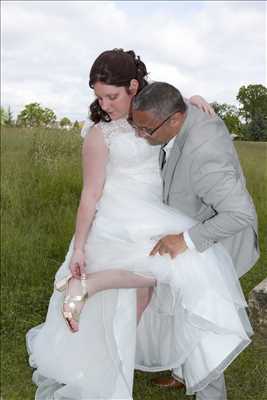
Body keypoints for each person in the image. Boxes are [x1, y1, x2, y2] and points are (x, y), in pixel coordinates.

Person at [26, 49, 254, 400]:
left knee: (162, 285)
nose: (104, 104)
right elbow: (90, 194)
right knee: (163, 280)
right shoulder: (100, 135)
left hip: (159, 213)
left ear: (134, 87)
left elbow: (175, 108)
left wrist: (194, 100)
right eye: (98, 97)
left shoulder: (153, 110)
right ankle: (100, 350)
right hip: (121, 217)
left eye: (111, 96)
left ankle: (162, 363)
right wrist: (81, 244)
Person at [131, 81, 259, 400]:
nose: (141, 135)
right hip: (193, 227)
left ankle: (209, 392)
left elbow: (240, 213)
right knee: (176, 304)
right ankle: (180, 370)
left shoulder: (204, 154)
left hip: (217, 244)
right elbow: (165, 98)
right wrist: (195, 96)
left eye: (147, 130)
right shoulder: (178, 111)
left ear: (175, 120)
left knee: (201, 322)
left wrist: (185, 240)